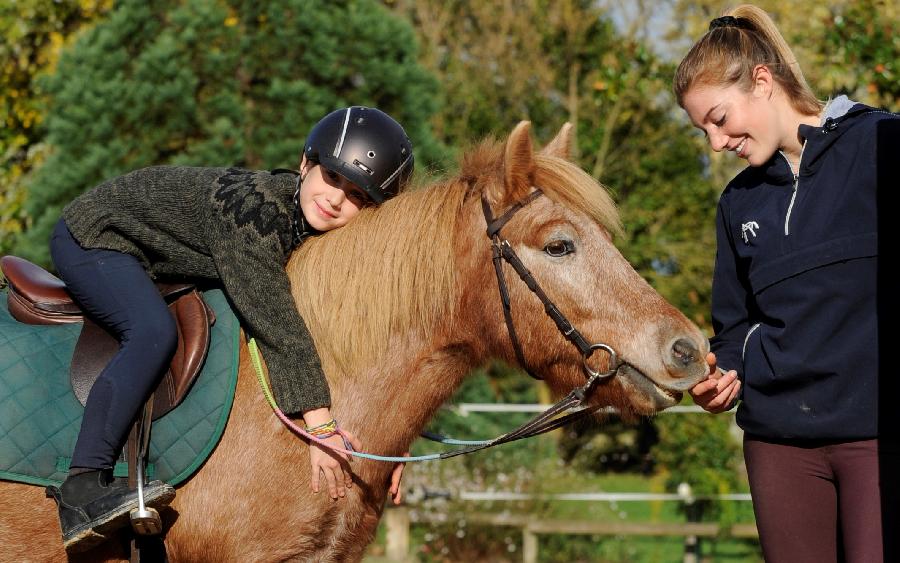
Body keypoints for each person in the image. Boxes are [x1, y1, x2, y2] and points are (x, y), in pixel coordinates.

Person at [45, 106, 414, 552]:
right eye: (332, 178)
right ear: (305, 164)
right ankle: (82, 486)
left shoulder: (315, 230)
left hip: (157, 250)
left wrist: (390, 443)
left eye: (357, 195)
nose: (336, 199)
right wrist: (319, 427)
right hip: (100, 237)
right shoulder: (253, 217)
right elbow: (277, 325)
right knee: (152, 331)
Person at [674, 5, 899, 562]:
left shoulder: (881, 145)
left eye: (719, 118)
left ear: (762, 81)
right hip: (778, 446)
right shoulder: (737, 204)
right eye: (702, 128)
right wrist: (722, 376)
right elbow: (734, 329)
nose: (715, 142)